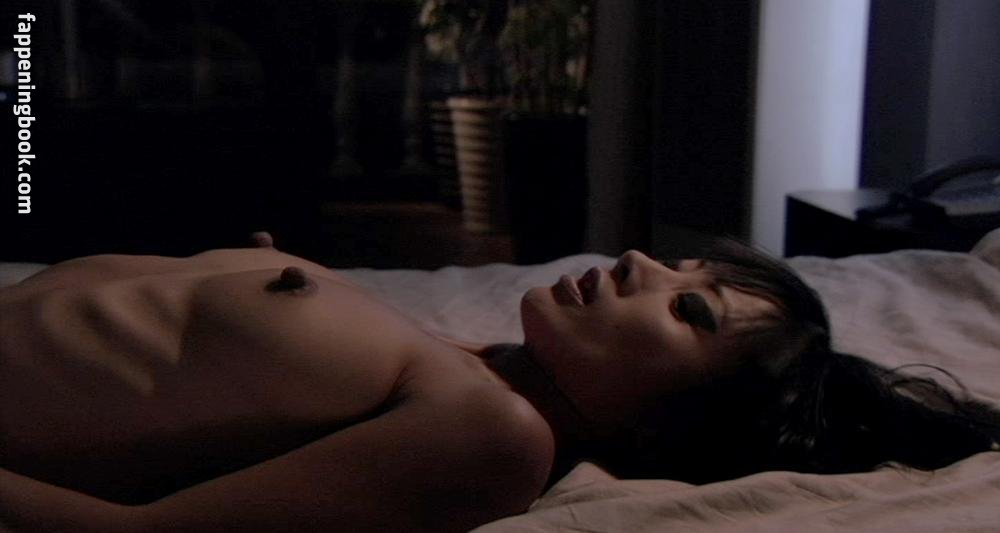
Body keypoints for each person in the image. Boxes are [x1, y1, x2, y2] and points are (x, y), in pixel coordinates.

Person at [1, 234, 997, 532]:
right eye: (687, 269)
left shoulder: (497, 433)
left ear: (664, 426)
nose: (641, 262)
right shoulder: (459, 357)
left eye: (687, 309)